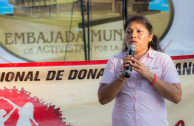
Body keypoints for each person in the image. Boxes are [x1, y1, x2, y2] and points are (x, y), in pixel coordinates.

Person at [98, 15, 182, 126]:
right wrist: (122, 76)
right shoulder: (115, 61)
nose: (133, 35)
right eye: (129, 32)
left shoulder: (162, 59)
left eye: (139, 31)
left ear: (150, 37)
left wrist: (150, 76)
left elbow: (176, 97)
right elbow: (102, 99)